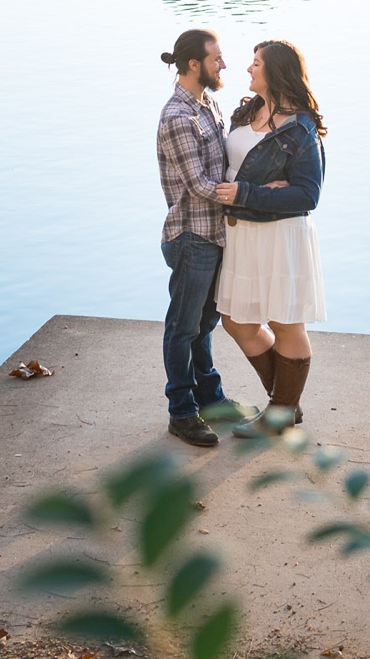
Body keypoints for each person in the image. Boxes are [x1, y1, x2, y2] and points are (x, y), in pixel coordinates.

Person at [212, 40, 326, 436]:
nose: (248, 69)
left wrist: (252, 194)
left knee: (285, 323)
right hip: (242, 233)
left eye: (256, 63)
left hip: (280, 235)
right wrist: (254, 190)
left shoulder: (301, 127)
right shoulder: (246, 111)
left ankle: (278, 414)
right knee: (236, 320)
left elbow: (308, 194)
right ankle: (284, 405)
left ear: (276, 71)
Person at [155, 28, 244, 447]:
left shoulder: (208, 103)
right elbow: (198, 183)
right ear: (195, 64)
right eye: (217, 58)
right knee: (183, 326)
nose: (224, 64)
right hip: (192, 235)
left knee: (205, 323)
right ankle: (182, 412)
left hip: (214, 234)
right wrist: (249, 198)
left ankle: (211, 398)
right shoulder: (177, 117)